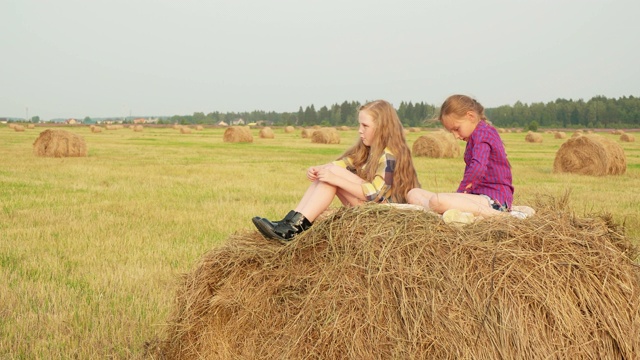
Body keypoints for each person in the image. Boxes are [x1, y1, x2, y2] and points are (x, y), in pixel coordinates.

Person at [253, 99, 421, 241]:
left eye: (365, 126)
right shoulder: (368, 150)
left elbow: (376, 194)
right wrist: (319, 169)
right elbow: (341, 164)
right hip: (371, 211)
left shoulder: (390, 155)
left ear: (382, 127)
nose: (360, 130)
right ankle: (291, 221)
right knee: (331, 172)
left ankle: (294, 229)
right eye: (359, 125)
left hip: (387, 218)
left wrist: (335, 178)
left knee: (333, 176)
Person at [407, 94, 527, 219]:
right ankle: (439, 211)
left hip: (494, 200)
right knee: (413, 193)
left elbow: (477, 168)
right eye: (451, 131)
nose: (455, 136)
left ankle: (503, 216)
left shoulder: (483, 133)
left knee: (437, 201)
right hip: (476, 197)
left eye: (457, 129)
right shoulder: (475, 136)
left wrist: (460, 193)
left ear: (471, 116)